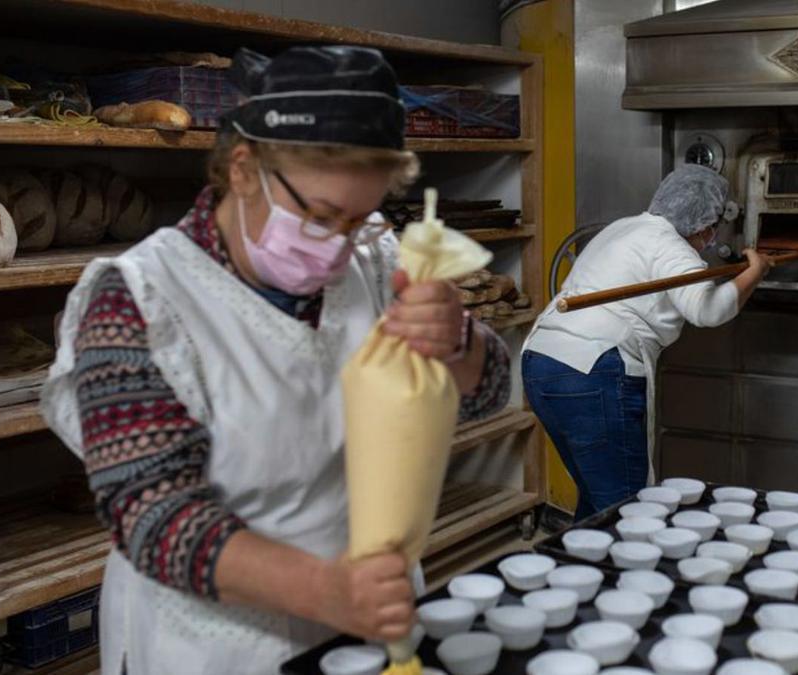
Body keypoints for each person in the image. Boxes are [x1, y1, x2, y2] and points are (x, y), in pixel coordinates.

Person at [40, 46, 511, 675]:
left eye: (356, 218)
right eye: (319, 217)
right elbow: (153, 514)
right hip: (215, 643)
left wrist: (459, 342)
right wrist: (327, 591)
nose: (339, 244)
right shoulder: (142, 298)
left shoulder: (372, 254)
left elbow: (487, 391)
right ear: (241, 168)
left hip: (365, 619)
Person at [521, 165, 768, 520]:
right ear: (703, 226)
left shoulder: (623, 228)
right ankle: (622, 574)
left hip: (541, 362)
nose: (712, 240)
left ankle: (584, 569)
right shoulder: (669, 247)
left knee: (597, 500)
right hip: (592, 371)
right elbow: (708, 309)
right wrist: (754, 274)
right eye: (713, 230)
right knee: (629, 512)